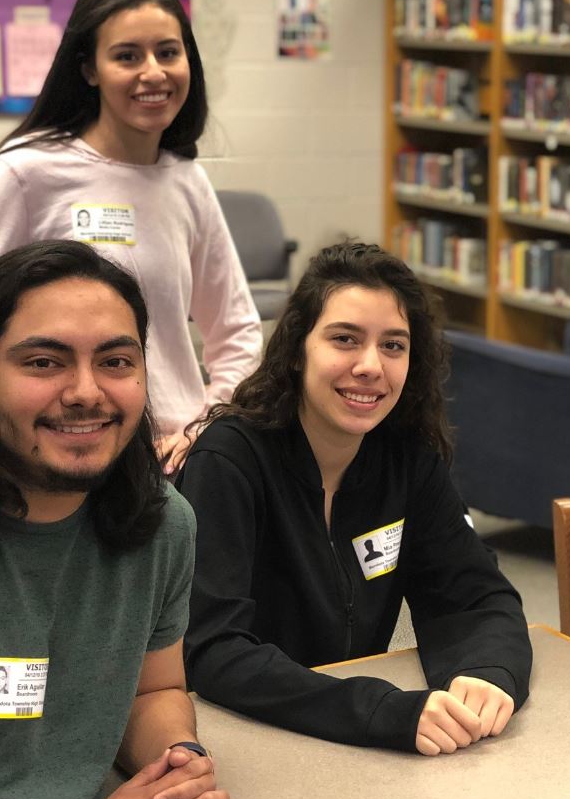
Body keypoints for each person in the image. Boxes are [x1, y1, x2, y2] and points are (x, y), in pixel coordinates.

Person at [179, 241, 532, 756]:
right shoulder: (229, 462)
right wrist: (379, 711)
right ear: (298, 348)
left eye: (393, 345)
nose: (370, 366)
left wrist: (485, 672)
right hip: (238, 741)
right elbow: (213, 652)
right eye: (345, 339)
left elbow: (477, 596)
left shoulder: (406, 458)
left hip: (350, 748)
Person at [0, 241, 227, 799]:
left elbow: (154, 690)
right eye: (44, 362)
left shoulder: (163, 524)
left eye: (117, 361)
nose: (86, 392)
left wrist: (178, 761)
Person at [0, 0, 261, 474]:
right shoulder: (27, 173)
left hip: (175, 460)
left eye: (168, 52)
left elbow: (237, 331)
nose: (153, 72)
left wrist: (205, 426)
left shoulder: (186, 181)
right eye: (127, 55)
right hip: (64, 453)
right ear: (90, 69)